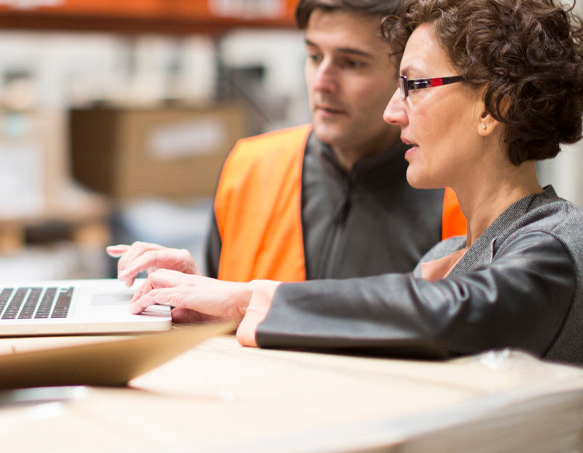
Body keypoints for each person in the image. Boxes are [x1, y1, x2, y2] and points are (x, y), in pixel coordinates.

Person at [125, 0, 583, 373]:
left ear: (493, 108)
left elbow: (455, 314)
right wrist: (214, 305)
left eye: (414, 86)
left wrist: (244, 298)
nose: (392, 110)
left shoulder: (560, 243)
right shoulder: (447, 256)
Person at [109, 0, 466, 289]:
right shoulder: (251, 168)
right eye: (314, 56)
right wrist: (197, 293)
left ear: (405, 77)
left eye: (351, 63)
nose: (322, 81)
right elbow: (231, 320)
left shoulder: (456, 195)